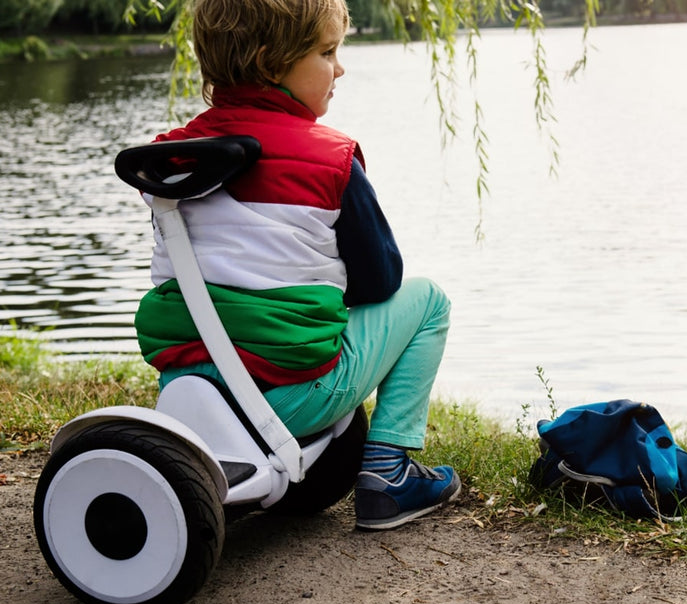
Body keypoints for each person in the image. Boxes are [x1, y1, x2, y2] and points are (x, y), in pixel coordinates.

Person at [132, 0, 460, 531]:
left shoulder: (170, 157)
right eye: (327, 52)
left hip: (186, 384)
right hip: (293, 397)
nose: (340, 68)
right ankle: (389, 473)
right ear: (269, 62)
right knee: (428, 301)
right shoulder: (330, 158)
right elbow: (382, 280)